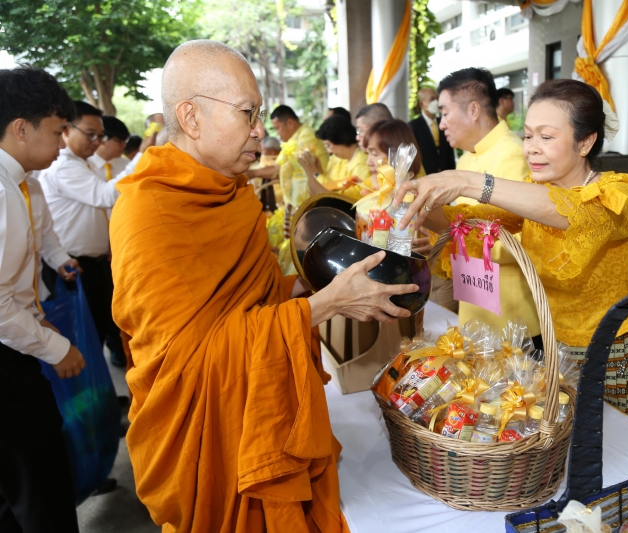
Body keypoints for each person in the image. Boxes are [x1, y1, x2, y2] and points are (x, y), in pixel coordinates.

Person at [110, 40, 416, 532]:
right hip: (209, 433)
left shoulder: (233, 193)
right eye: (247, 113)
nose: (260, 130)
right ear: (191, 117)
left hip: (252, 411)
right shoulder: (149, 212)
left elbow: (256, 298)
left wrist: (321, 287)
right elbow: (187, 364)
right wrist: (321, 307)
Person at [394, 79, 628, 431]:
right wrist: (412, 200)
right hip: (556, 352)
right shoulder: (536, 196)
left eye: (546, 137)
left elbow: (570, 212)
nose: (532, 149)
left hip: (615, 356)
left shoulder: (620, 193)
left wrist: (467, 181)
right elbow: (467, 223)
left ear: (585, 142)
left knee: (622, 452)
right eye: (528, 136)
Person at [0, 66, 84, 533]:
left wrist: (36, 320)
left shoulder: (23, 182)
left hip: (16, 337)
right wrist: (55, 348)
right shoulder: (2, 191)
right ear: (20, 128)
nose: (60, 144)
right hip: (5, 360)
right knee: (40, 483)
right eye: (56, 132)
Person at [429, 67, 540, 333]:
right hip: (474, 307)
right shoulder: (467, 158)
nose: (441, 124)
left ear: (473, 110)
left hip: (511, 318)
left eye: (445, 113)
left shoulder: (513, 154)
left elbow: (529, 239)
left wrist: (458, 242)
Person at [40, 101, 127, 367]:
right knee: (79, 339)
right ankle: (83, 391)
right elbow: (104, 196)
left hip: (91, 263)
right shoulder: (64, 166)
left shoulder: (82, 164)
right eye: (90, 134)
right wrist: (143, 161)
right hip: (70, 265)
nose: (96, 142)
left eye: (100, 136)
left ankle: (94, 389)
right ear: (66, 130)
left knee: (96, 331)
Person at [298, 114, 370, 201]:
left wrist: (315, 174)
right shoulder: (340, 158)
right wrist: (319, 172)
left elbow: (345, 197)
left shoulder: (361, 163)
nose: (329, 151)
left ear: (340, 139)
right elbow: (332, 185)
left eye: (328, 145)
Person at [408, 87, 455, 176]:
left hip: (446, 175)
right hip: (425, 177)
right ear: (422, 104)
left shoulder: (444, 123)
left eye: (437, 98)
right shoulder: (413, 126)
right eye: (432, 99)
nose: (436, 102)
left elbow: (449, 152)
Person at [89, 115, 130, 181]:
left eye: (125, 141)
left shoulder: (127, 165)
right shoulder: (85, 165)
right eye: (119, 141)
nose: (124, 145)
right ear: (102, 139)